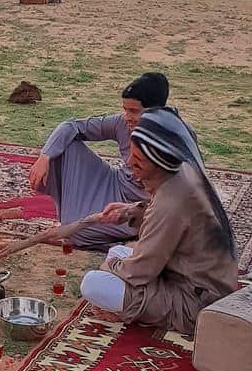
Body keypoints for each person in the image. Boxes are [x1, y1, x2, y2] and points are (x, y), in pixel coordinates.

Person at [79, 108, 238, 336]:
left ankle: (132, 312)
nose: (130, 162)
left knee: (94, 282)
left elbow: (140, 271)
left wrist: (111, 266)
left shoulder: (170, 201)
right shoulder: (182, 173)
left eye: (139, 159)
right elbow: (168, 223)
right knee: (118, 250)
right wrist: (131, 211)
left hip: (196, 303)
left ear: (157, 160)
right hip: (202, 279)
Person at [27, 71, 171, 248]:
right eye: (125, 110)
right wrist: (44, 157)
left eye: (133, 111)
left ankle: (113, 239)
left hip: (140, 208)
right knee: (62, 146)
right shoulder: (122, 123)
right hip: (114, 184)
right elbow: (71, 126)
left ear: (156, 112)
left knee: (77, 234)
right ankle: (69, 219)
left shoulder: (174, 137)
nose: (127, 117)